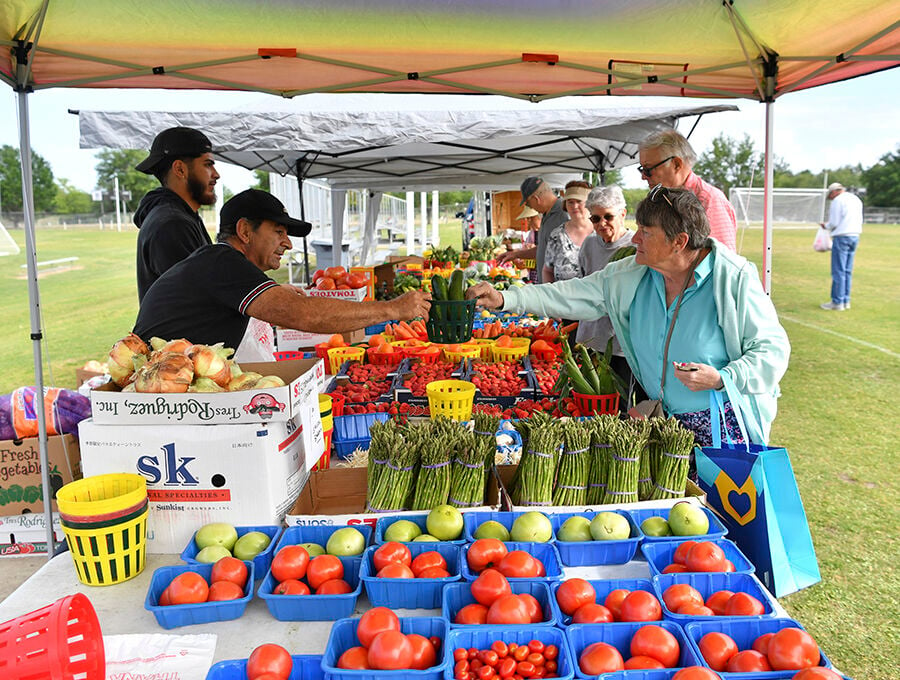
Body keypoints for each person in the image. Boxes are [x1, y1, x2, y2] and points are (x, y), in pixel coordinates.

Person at [467, 185, 790, 446]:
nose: (634, 239)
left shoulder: (732, 278)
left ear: (680, 242)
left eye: (646, 233)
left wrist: (723, 378)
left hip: (723, 430)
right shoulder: (632, 274)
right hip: (663, 426)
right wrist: (506, 298)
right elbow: (572, 293)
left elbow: (772, 352)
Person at [133, 189, 431, 358]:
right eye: (278, 232)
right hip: (162, 395)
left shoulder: (216, 263)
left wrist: (275, 294)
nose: (287, 243)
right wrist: (393, 308)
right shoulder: (222, 261)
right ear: (244, 231)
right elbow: (306, 316)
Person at [133, 127, 220, 301]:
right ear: (180, 169)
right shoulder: (171, 224)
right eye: (208, 165)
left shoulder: (182, 215)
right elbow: (198, 300)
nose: (216, 175)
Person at [638, 129, 738, 251]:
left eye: (648, 169)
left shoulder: (710, 200)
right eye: (641, 169)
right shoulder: (662, 198)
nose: (643, 176)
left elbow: (723, 261)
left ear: (676, 164)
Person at [575, 185, 634, 381]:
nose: (602, 224)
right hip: (590, 339)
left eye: (608, 217)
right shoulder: (589, 244)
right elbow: (583, 285)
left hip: (622, 346)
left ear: (622, 214)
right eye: (595, 218)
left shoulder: (636, 246)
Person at [496, 177, 568, 282]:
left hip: (558, 290)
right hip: (546, 287)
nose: (531, 208)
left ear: (536, 199)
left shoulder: (564, 215)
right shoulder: (545, 215)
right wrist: (515, 254)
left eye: (528, 204)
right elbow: (544, 249)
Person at [819, 182, 863, 311]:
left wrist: (825, 226)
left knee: (838, 270)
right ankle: (845, 300)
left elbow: (834, 222)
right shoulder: (855, 199)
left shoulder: (838, 201)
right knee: (847, 271)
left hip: (842, 236)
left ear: (834, 192)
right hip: (855, 235)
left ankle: (837, 302)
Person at [542, 181, 594, 283]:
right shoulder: (557, 236)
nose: (574, 206)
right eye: (570, 201)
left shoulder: (601, 231)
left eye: (579, 201)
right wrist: (550, 295)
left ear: (590, 204)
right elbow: (547, 270)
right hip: (562, 297)